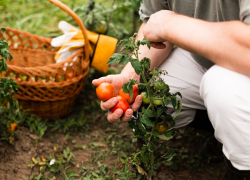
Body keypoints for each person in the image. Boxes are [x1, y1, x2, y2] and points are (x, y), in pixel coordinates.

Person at [92, 1, 250, 179]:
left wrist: (169, 24)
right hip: (202, 56)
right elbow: (154, 26)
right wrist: (130, 78)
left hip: (244, 65)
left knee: (222, 88)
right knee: (148, 98)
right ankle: (222, 132)